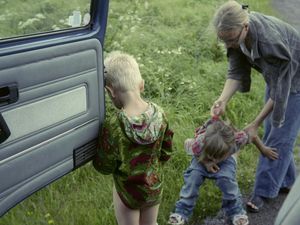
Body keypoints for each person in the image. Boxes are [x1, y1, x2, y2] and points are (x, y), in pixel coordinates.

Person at [211, 0, 300, 213]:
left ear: (246, 28)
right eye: (224, 40)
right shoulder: (235, 35)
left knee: (279, 135)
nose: (229, 45)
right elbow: (236, 71)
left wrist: (255, 124)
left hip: (295, 80)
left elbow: (281, 90)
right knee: (274, 131)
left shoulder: (270, 43)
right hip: (278, 78)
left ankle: (263, 192)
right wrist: (222, 100)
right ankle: (288, 182)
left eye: (231, 40)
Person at [93, 51, 174, 225]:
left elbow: (105, 165)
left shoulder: (114, 123)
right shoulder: (160, 114)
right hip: (153, 186)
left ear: (110, 91)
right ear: (142, 85)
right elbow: (166, 151)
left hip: (128, 191)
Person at [168, 117, 278, 225]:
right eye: (211, 155)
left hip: (226, 161)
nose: (213, 159)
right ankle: (181, 212)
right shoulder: (199, 143)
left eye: (217, 157)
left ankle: (236, 212)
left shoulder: (237, 140)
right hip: (201, 158)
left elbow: (253, 136)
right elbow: (187, 144)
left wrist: (264, 149)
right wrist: (206, 162)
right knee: (193, 177)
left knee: (226, 179)